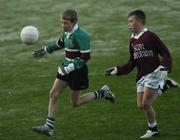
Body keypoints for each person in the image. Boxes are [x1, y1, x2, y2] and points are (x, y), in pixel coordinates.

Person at [32, 9, 115, 136]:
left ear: (74, 22)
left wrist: (70, 68)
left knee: (75, 103)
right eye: (62, 23)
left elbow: (85, 58)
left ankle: (104, 92)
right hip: (65, 66)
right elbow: (59, 44)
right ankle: (49, 127)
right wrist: (45, 50)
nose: (63, 26)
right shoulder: (67, 32)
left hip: (78, 71)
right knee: (53, 94)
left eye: (66, 23)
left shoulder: (82, 36)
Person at [105, 9, 178, 139]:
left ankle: (153, 129)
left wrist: (165, 67)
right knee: (140, 105)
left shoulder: (150, 36)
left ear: (139, 22)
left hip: (153, 74)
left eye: (131, 21)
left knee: (146, 104)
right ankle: (165, 85)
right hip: (141, 76)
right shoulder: (132, 40)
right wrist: (118, 70)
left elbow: (166, 54)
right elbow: (131, 63)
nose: (128, 24)